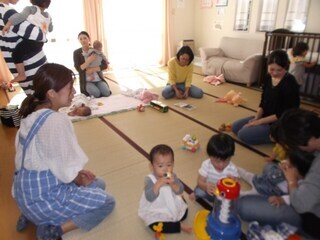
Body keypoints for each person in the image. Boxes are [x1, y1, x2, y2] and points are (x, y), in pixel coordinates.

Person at [13, 63, 115, 239]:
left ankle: (30, 216)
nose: (74, 93)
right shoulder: (57, 121)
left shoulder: (30, 115)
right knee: (107, 200)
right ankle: (54, 229)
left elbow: (37, 159)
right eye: (70, 88)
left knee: (98, 184)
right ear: (51, 93)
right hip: (45, 199)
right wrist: (79, 178)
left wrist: (79, 173)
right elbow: (67, 172)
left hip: (24, 196)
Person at [236, 108, 320, 238]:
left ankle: (260, 189)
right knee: (270, 168)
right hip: (303, 190)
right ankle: (261, 187)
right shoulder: (314, 148)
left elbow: (301, 204)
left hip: (310, 216)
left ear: (306, 140)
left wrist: (292, 180)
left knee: (243, 206)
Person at [231, 50, 300, 145]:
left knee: (243, 134)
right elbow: (263, 100)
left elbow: (284, 113)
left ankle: (281, 137)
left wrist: (259, 122)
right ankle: (262, 128)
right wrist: (257, 117)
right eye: (271, 69)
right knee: (235, 127)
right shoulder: (268, 77)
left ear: (286, 67)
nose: (274, 73)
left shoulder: (290, 82)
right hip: (266, 116)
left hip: (281, 122)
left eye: (279, 70)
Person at [138, 144, 192, 234]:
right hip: (157, 207)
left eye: (169, 165)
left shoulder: (173, 176)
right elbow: (149, 197)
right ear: (152, 166)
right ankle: (179, 226)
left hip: (171, 203)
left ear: (173, 164)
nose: (165, 169)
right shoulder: (150, 179)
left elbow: (180, 190)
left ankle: (176, 218)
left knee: (184, 212)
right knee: (154, 225)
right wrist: (158, 184)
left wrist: (174, 184)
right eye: (160, 166)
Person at [0, 0, 47, 95]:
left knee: (37, 102)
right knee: (44, 102)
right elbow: (39, 35)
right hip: (33, 69)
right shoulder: (6, 12)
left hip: (24, 68)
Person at [191, 133, 239, 203]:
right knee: (199, 191)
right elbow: (200, 181)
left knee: (232, 199)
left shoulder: (232, 168)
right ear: (209, 156)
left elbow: (236, 182)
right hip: (208, 188)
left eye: (226, 161)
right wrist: (205, 186)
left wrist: (234, 181)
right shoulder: (206, 165)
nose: (221, 165)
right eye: (217, 161)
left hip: (222, 192)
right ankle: (195, 194)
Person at [73, 31, 111, 98]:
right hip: (87, 81)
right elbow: (78, 69)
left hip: (98, 79)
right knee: (97, 94)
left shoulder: (95, 50)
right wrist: (88, 61)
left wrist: (93, 69)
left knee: (107, 93)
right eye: (80, 39)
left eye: (85, 38)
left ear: (89, 39)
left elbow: (105, 65)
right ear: (78, 40)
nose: (83, 40)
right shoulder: (76, 53)